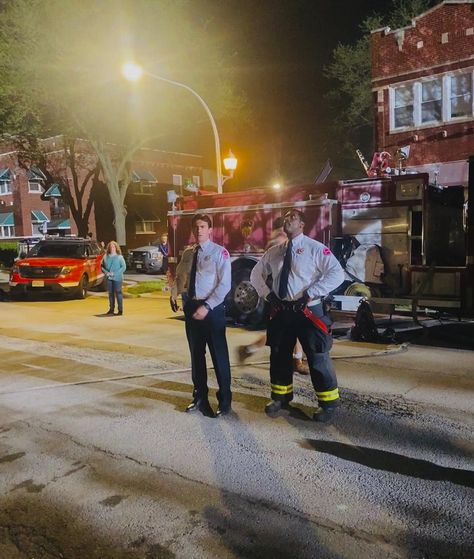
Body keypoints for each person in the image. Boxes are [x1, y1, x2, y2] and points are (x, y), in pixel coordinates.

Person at [250, 209, 345, 423]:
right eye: (285, 217)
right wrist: (268, 295)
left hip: (309, 312)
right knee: (279, 356)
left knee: (318, 357)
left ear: (302, 224)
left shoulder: (315, 248)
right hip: (282, 312)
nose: (288, 220)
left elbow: (337, 273)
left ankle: (328, 404)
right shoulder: (274, 252)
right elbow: (256, 274)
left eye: (293, 217)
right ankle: (280, 398)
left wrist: (312, 293)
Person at [170, 213, 232, 418]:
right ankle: (200, 397)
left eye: (203, 226)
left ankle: (224, 401)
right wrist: (174, 293)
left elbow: (224, 285)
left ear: (210, 229)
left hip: (212, 310)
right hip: (192, 308)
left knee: (218, 356)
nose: (199, 230)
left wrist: (208, 306)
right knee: (196, 356)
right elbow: (180, 276)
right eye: (196, 227)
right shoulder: (189, 253)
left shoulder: (219, 253)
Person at [237, 217, 310, 375]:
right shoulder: (280, 243)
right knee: (286, 329)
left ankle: (295, 359)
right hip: (280, 295)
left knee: (287, 329)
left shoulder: (275, 241)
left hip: (280, 294)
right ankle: (296, 360)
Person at [101, 241, 127, 316]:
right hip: (109, 278)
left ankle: (120, 310)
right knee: (110, 294)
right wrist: (107, 273)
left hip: (117, 278)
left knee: (118, 293)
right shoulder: (106, 257)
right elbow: (102, 267)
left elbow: (123, 267)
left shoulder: (119, 257)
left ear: (116, 248)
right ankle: (111, 309)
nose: (112, 248)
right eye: (110, 247)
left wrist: (115, 274)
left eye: (113, 247)